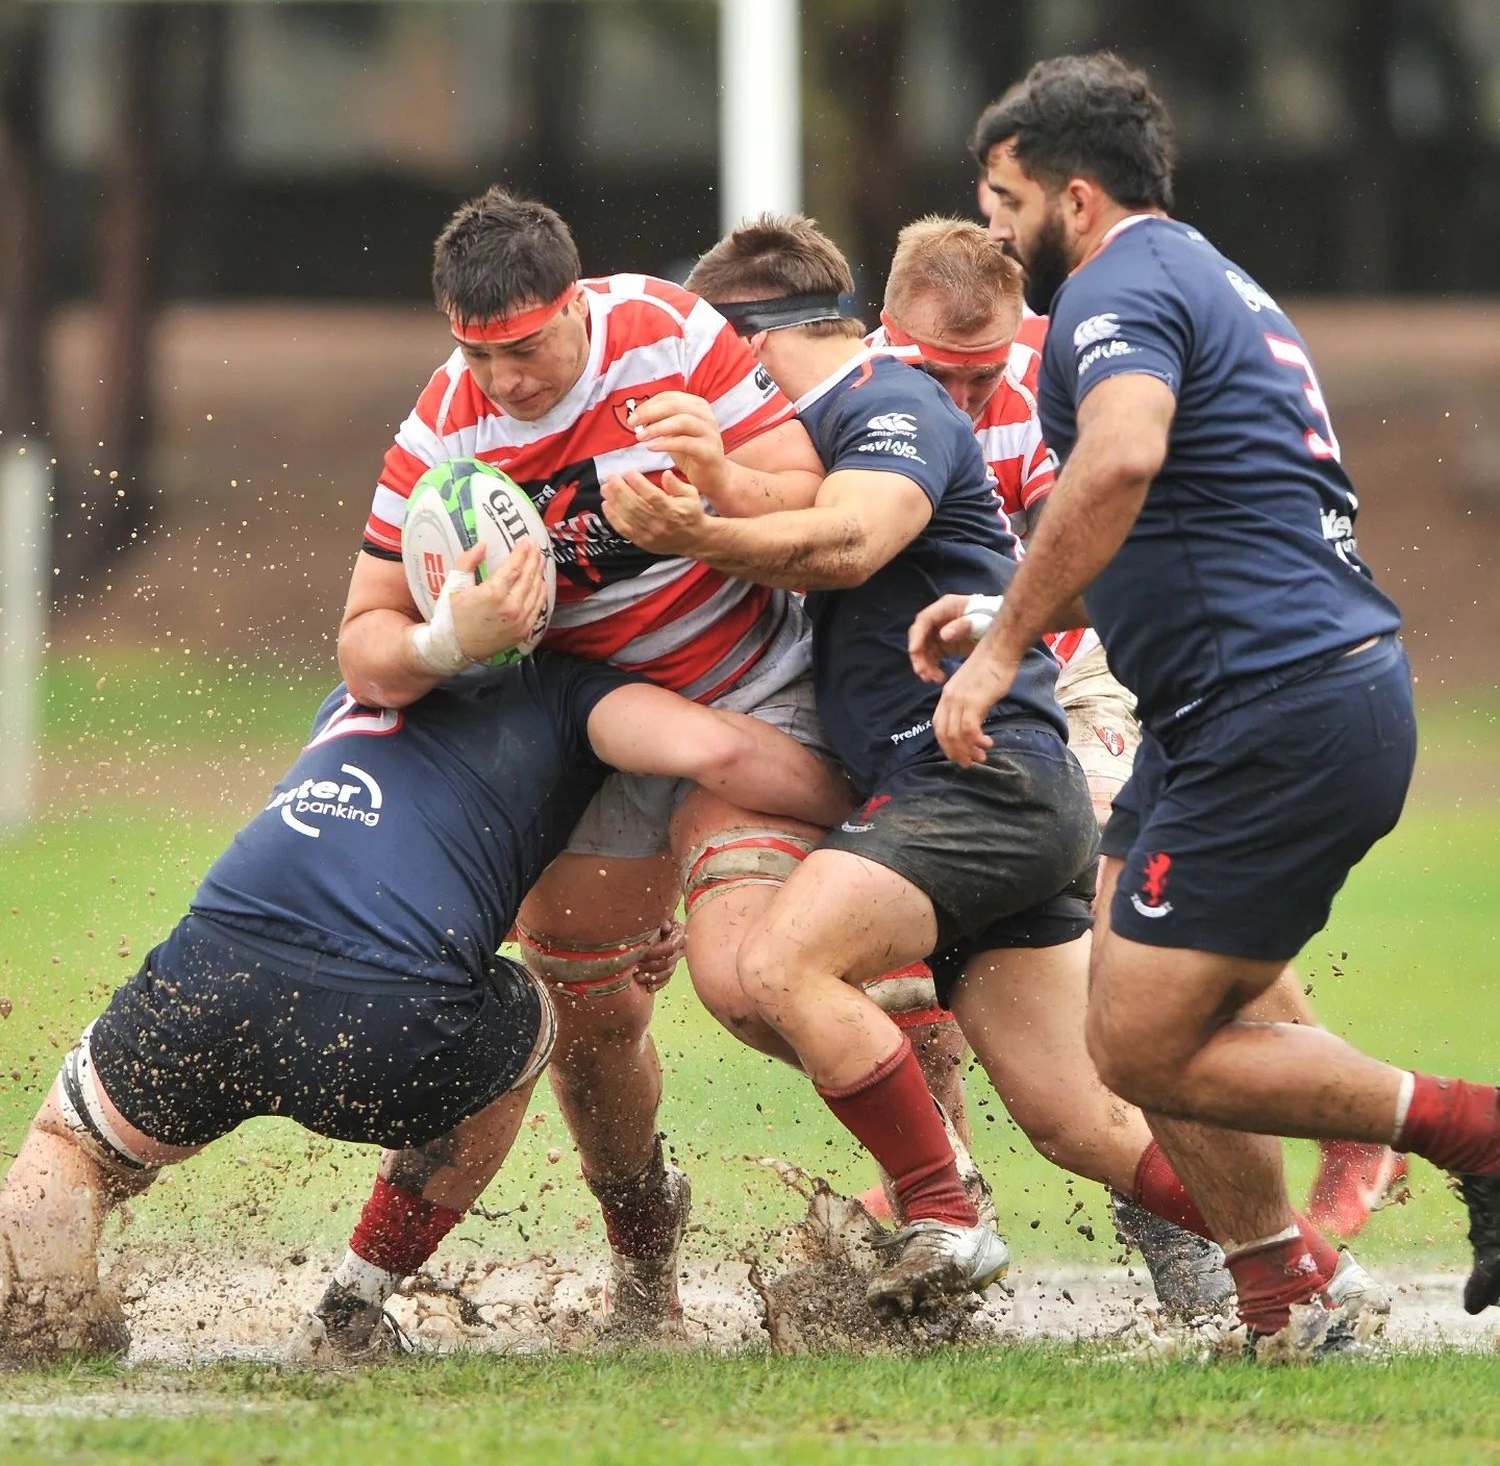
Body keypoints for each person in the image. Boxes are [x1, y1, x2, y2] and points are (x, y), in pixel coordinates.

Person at [599, 215, 1369, 1327]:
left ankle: (943, 1205)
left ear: (748, 346)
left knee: (784, 963)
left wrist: (696, 533)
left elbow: (851, 543)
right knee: (1081, 1120)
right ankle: (1298, 1277)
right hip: (972, 789)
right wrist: (705, 495)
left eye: (707, 363)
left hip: (988, 772)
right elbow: (795, 512)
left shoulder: (893, 400)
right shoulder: (836, 421)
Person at [922, 51, 1500, 1343]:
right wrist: (1011, 606)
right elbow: (1184, 511)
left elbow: (1122, 459)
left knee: (1138, 1046)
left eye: (1005, 199)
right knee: (1141, 1009)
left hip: (1275, 705)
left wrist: (1004, 646)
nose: (997, 229)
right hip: (1249, 705)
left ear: (1073, 195)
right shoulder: (1202, 272)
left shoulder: (1115, 284)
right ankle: (1281, 1294)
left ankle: (1476, 1129)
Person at [0, 545, 850, 1365]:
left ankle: (35, 1312)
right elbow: (727, 753)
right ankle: (352, 1307)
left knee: (71, 1142)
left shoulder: (360, 683)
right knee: (531, 1017)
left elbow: (397, 862)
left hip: (215, 965)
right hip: (389, 1021)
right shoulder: (576, 687)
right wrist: (880, 803)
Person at [337, 185, 841, 1336]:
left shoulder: (668, 331)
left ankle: (938, 1204)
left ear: (577, 303)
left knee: (762, 968)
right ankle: (645, 1261)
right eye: (476, 351)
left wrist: (714, 488)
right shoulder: (444, 424)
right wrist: (443, 640)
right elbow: (364, 644)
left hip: (752, 687)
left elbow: (805, 499)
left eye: (524, 347)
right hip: (590, 723)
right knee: (585, 1002)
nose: (504, 380)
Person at [878, 215, 1406, 1242]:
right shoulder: (861, 397)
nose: (965, 399)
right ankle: (949, 1163)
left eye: (982, 375)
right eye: (939, 372)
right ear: (884, 330)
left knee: (1147, 905)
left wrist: (1005, 641)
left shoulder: (1057, 376)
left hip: (1087, 667)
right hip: (966, 679)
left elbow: (1099, 546)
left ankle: (1343, 1125)